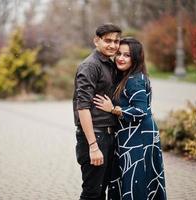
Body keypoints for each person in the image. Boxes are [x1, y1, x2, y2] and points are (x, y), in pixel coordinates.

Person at [93, 37, 167, 200]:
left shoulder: (134, 80)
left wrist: (113, 109)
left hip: (139, 136)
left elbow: (140, 111)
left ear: (136, 58)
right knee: (132, 180)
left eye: (127, 55)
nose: (120, 58)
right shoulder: (126, 76)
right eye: (119, 53)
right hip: (130, 135)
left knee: (137, 181)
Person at [73, 23, 122, 200]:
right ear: (96, 41)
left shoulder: (109, 64)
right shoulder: (90, 66)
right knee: (92, 193)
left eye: (116, 41)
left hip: (108, 136)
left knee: (102, 191)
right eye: (108, 40)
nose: (113, 45)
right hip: (95, 137)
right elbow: (83, 107)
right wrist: (93, 146)